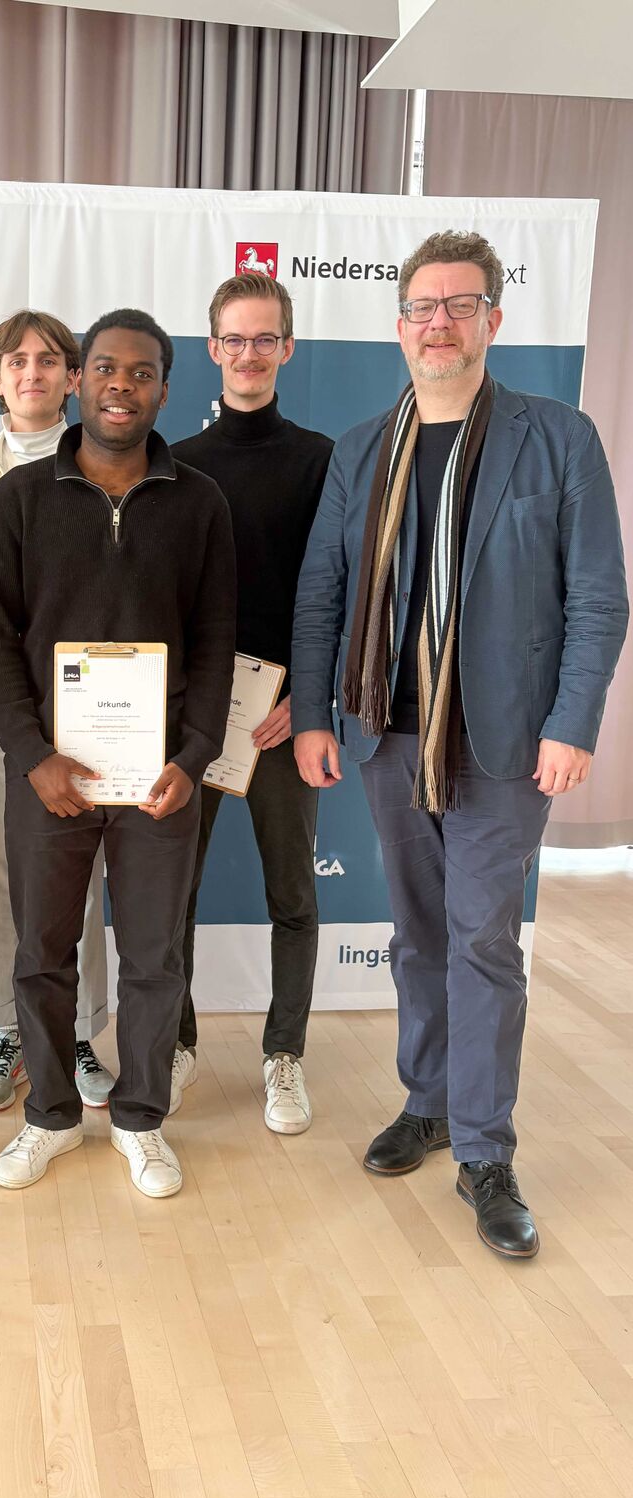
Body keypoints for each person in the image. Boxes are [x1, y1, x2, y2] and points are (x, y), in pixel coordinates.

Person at [292, 230, 627, 1258]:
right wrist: (313, 715)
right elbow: (321, 594)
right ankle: (428, 1102)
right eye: (422, 307)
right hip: (387, 735)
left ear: (492, 320)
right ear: (399, 326)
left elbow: (596, 597)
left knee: (482, 939)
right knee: (417, 935)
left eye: (459, 305)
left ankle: (484, 1151)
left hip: (505, 742)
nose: (438, 323)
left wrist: (571, 724)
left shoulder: (557, 437)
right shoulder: (361, 448)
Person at [0, 309, 236, 1198]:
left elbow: (215, 643)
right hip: (50, 773)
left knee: (155, 958)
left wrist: (193, 757)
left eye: (142, 372)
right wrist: (30, 753)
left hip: (159, 777)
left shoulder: (198, 502)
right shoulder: (18, 498)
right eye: (107, 368)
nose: (122, 385)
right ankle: (49, 1116)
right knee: (41, 955)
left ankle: (140, 1119)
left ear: (163, 389)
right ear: (79, 380)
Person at [0, 310, 112, 1113]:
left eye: (47, 361)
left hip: (85, 713)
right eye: (15, 361)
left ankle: (76, 1033)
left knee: (85, 876)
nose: (31, 373)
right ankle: (10, 1029)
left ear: (72, 378)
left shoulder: (108, 468)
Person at [170, 273, 332, 1135]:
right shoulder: (177, 463)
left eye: (263, 338)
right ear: (212, 349)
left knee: (292, 896)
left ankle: (284, 1056)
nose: (248, 353)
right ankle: (176, 1043)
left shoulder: (320, 459)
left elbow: (339, 593)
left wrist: (307, 698)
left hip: (281, 719)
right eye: (233, 339)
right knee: (171, 894)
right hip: (195, 719)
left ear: (287, 348)